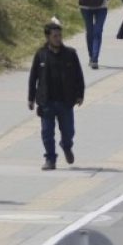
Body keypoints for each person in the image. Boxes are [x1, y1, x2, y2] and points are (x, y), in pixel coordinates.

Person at [28, 21, 84, 169]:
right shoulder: (41, 55)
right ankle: (50, 159)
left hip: (65, 101)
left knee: (68, 131)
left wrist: (80, 94)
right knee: (47, 132)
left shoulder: (70, 54)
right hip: (46, 102)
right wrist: (31, 98)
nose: (58, 39)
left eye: (60, 35)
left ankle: (66, 146)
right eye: (55, 36)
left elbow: (79, 75)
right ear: (47, 37)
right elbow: (33, 77)